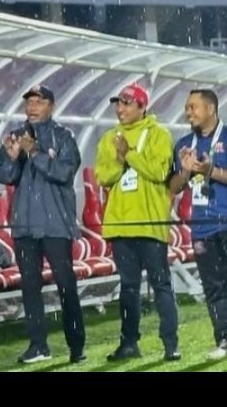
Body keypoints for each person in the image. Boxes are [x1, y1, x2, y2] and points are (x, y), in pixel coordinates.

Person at [0, 83, 86, 364]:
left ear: (51, 106)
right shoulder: (16, 136)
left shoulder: (64, 137)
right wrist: (11, 158)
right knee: (30, 287)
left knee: (66, 285)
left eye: (39, 101)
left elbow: (64, 172)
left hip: (56, 225)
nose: (32, 106)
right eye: (29, 101)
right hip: (25, 227)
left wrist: (34, 153)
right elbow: (3, 175)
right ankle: (38, 346)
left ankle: (76, 346)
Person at [95, 82, 179, 362]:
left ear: (143, 106)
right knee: (128, 287)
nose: (120, 108)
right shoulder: (109, 137)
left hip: (151, 222)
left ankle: (171, 343)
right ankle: (129, 343)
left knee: (161, 285)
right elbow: (103, 176)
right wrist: (120, 161)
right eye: (118, 103)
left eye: (127, 103)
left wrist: (128, 154)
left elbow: (158, 172)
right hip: (120, 225)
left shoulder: (160, 134)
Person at [169, 89, 227, 360]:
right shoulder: (183, 144)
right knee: (214, 287)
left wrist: (209, 171)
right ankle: (224, 339)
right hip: (202, 227)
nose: (188, 112)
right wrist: (185, 171)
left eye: (193, 107)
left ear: (211, 109)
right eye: (186, 107)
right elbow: (173, 186)